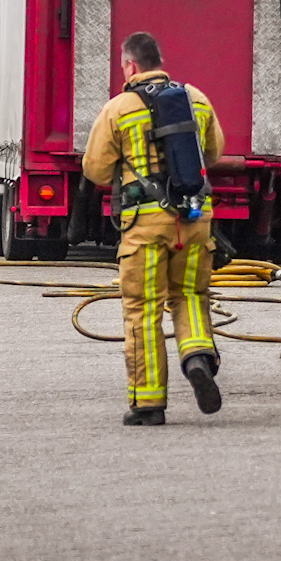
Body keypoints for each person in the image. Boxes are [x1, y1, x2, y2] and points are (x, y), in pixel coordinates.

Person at [82, 31, 225, 426]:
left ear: (130, 65)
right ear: (159, 61)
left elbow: (94, 169)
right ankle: (197, 357)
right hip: (194, 222)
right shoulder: (195, 99)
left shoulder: (119, 108)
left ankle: (148, 404)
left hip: (144, 227)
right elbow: (213, 152)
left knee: (142, 309)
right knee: (190, 295)